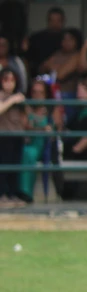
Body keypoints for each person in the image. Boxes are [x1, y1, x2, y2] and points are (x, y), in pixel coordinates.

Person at [17, 77, 57, 203]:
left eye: (41, 93)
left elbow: (56, 130)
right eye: (34, 92)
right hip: (27, 144)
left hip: (44, 147)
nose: (37, 96)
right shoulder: (26, 109)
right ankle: (18, 192)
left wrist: (47, 130)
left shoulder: (52, 110)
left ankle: (25, 194)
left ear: (46, 95)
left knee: (28, 153)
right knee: (25, 152)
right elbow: (23, 127)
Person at [0, 68, 26, 207]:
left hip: (17, 136)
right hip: (3, 137)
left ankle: (12, 195)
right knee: (4, 167)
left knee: (15, 167)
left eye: (12, 80)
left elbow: (24, 118)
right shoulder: (3, 96)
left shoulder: (19, 97)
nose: (9, 83)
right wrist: (11, 100)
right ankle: (2, 196)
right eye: (6, 80)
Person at [40, 29, 87, 97]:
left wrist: (54, 67)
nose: (67, 42)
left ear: (76, 41)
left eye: (70, 39)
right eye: (64, 39)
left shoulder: (77, 55)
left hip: (69, 94)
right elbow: (42, 68)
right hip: (53, 92)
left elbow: (60, 75)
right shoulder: (58, 54)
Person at [24, 7, 67, 75]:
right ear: (48, 21)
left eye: (58, 21)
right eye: (52, 21)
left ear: (63, 21)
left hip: (63, 74)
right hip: (38, 75)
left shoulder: (68, 39)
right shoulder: (36, 38)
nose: (55, 24)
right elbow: (28, 60)